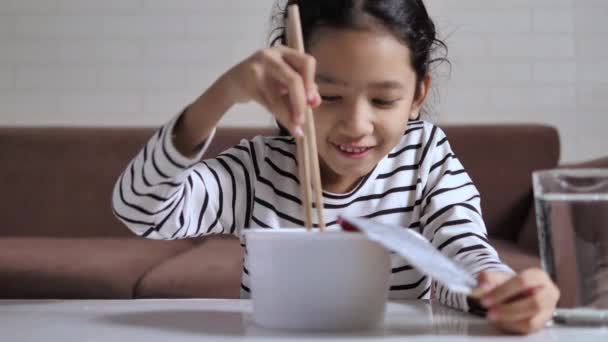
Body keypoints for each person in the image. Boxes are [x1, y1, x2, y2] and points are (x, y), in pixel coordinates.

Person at [112, 0, 559, 334]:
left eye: (384, 100)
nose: (356, 125)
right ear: (288, 84)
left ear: (419, 94)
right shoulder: (257, 171)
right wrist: (223, 94)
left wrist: (502, 288)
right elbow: (142, 210)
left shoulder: (425, 156)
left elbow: (462, 251)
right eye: (328, 96)